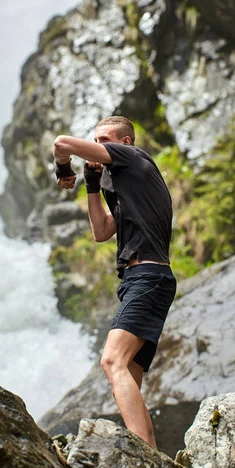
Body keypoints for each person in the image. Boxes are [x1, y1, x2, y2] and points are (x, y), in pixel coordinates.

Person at [53, 116, 176, 448]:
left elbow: (62, 144)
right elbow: (101, 232)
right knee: (127, 375)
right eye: (95, 139)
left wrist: (64, 169)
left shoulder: (134, 158)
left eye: (104, 139)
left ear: (125, 143)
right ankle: (145, 452)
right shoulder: (127, 184)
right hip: (141, 279)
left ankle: (145, 454)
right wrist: (92, 184)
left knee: (111, 361)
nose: (97, 145)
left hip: (148, 278)